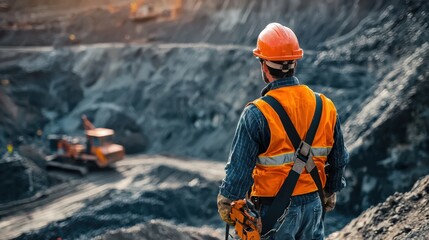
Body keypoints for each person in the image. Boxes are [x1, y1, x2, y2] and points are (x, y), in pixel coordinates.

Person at [217, 23, 349, 239]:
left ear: (264, 66)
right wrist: (330, 189)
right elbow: (339, 159)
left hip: (273, 210)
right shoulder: (325, 105)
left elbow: (238, 171)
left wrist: (227, 201)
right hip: (313, 203)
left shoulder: (257, 113)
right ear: (294, 62)